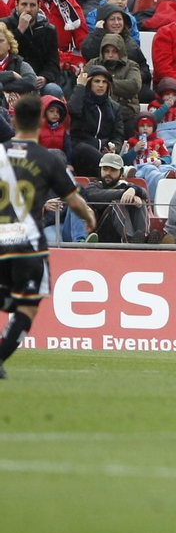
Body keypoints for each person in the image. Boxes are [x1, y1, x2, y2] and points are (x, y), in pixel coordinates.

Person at [0, 93, 91, 376]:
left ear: (14, 120)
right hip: (28, 243)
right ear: (41, 121)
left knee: (12, 297)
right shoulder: (47, 159)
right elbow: (74, 201)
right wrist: (89, 217)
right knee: (28, 305)